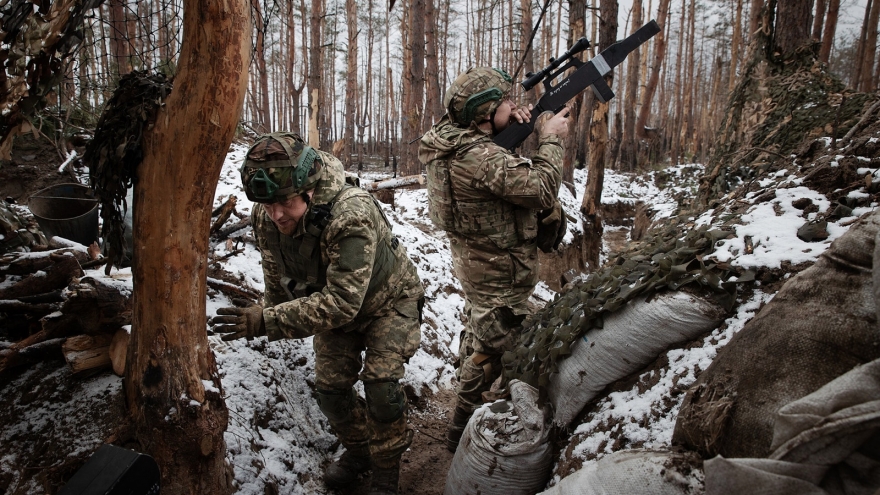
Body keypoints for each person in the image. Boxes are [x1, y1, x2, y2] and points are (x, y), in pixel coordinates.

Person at [213, 132, 424, 495]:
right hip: (335, 308)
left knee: (381, 386)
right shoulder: (267, 218)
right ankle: (360, 451)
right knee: (330, 390)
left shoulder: (350, 214)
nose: (276, 214)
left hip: (389, 303)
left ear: (310, 191)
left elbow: (343, 302)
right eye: (267, 205)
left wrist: (267, 320)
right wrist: (269, 311)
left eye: (285, 203)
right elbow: (277, 284)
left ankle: (386, 467)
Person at [418, 67, 570, 452]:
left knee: (480, 337)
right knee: (495, 352)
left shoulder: (451, 138)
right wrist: (550, 140)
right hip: (498, 275)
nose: (514, 104)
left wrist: (509, 126)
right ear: (484, 113)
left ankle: (467, 419)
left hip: (479, 266)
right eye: (504, 102)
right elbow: (541, 188)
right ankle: (460, 431)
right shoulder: (478, 157)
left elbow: (491, 154)